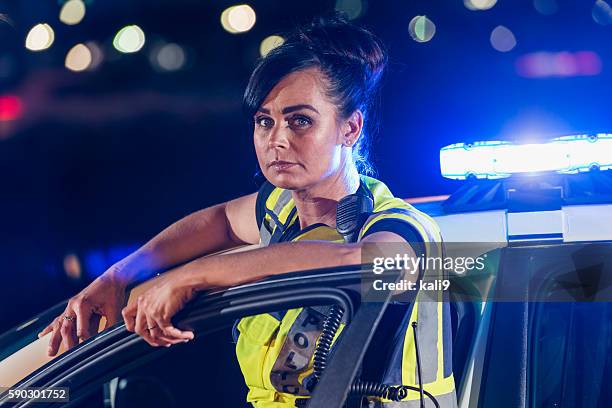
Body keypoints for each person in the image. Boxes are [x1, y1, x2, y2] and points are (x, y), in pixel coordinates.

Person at [38, 15, 456, 407]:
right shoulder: (278, 212)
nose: (277, 140)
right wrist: (118, 277)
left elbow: (358, 261)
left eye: (301, 121)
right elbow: (218, 221)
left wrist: (194, 275)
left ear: (350, 128)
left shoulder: (398, 224)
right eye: (264, 121)